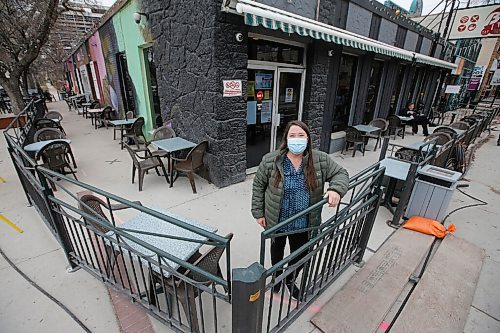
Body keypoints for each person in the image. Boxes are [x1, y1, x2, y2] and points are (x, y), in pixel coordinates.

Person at [251, 120, 349, 299]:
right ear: (286, 139)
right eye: (292, 135)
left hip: (304, 222)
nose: (297, 139)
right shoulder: (271, 160)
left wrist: (336, 189)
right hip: (277, 220)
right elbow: (258, 186)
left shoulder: (320, 159)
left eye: (301, 135)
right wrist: (258, 212)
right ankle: (277, 276)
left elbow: (340, 174)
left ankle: (290, 278)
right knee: (277, 252)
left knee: (302, 254)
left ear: (308, 139)